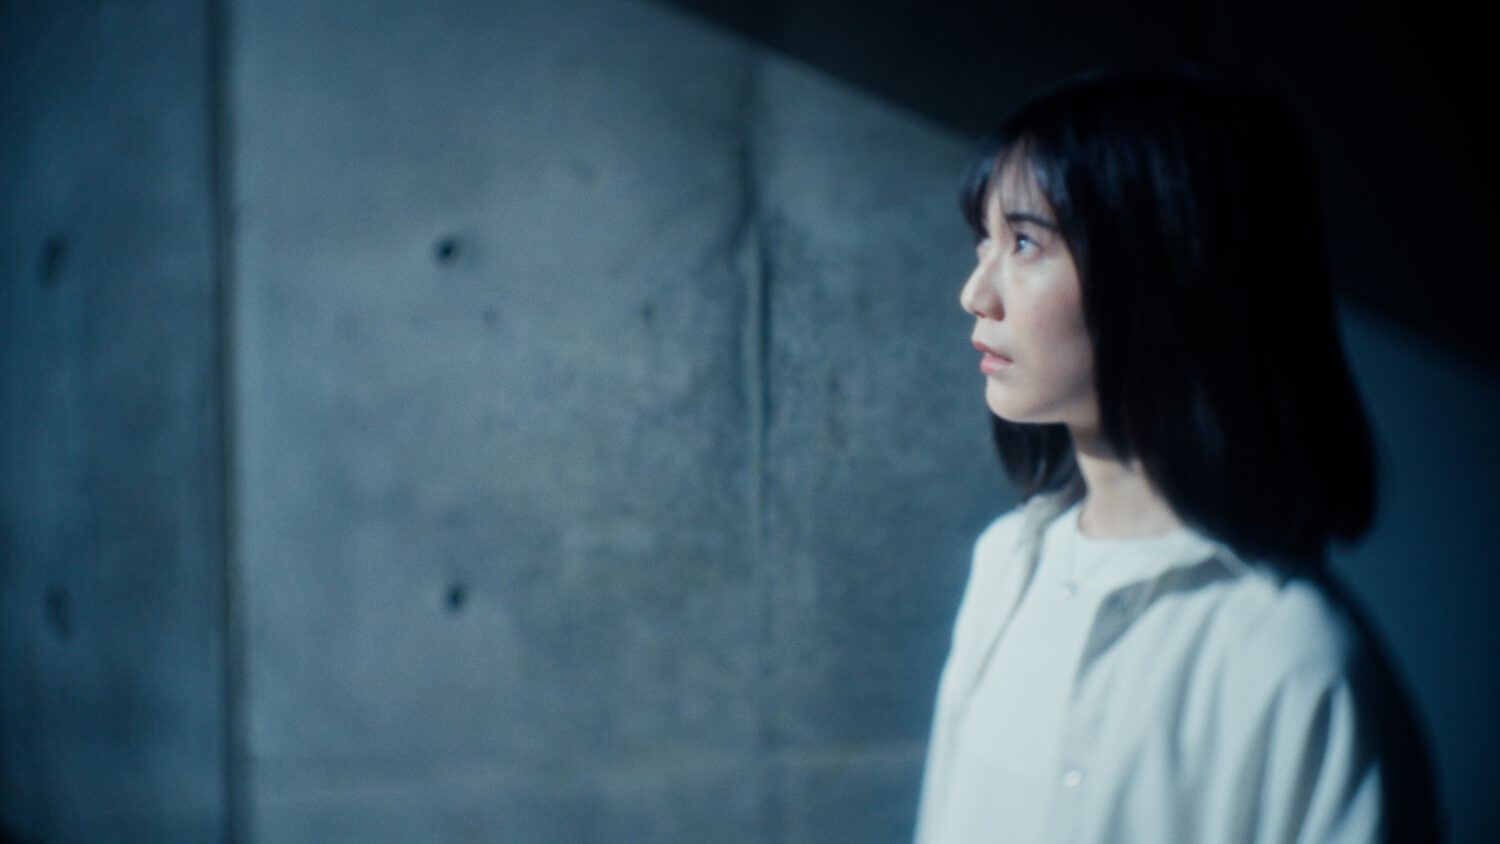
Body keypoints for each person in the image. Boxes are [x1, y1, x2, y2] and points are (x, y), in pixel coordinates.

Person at [914, 67, 1440, 843]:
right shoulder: (1006, 566)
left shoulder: (1296, 661)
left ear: (1162, 267)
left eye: (1024, 242)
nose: (975, 292)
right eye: (983, 240)